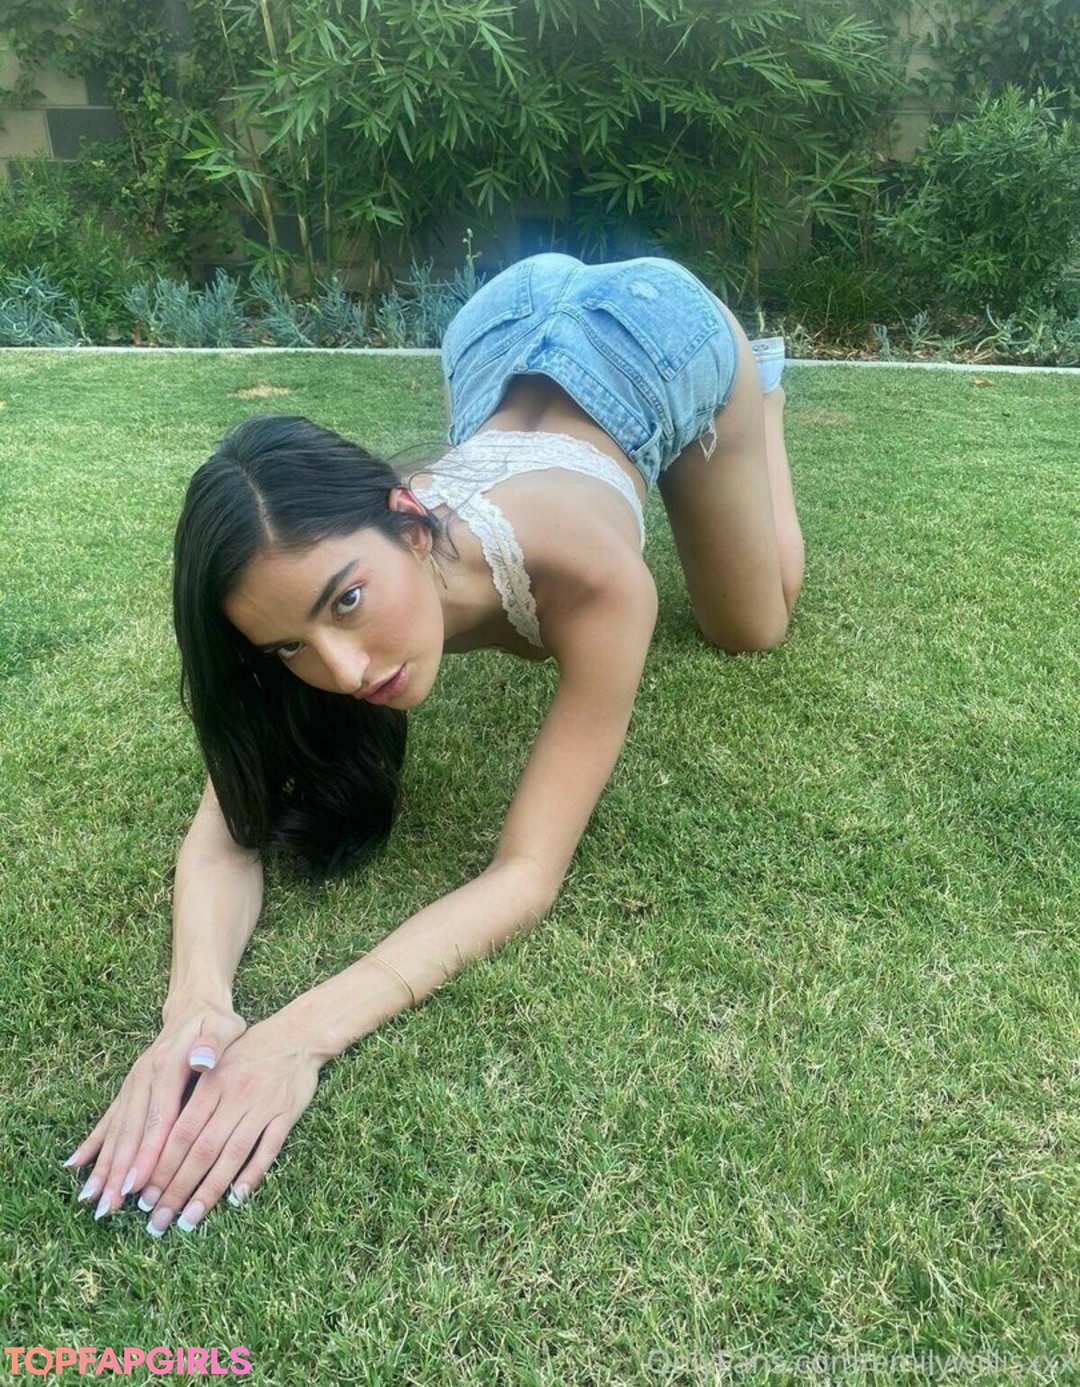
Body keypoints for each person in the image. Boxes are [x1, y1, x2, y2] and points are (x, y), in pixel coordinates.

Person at [64, 252, 804, 1236]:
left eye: (347, 601)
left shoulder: (596, 577)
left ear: (410, 522)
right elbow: (225, 832)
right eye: (289, 646)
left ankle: (764, 390)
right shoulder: (311, 565)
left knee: (750, 624)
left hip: (659, 332)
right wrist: (193, 1009)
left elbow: (527, 873)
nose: (342, 669)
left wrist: (300, 1034)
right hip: (500, 321)